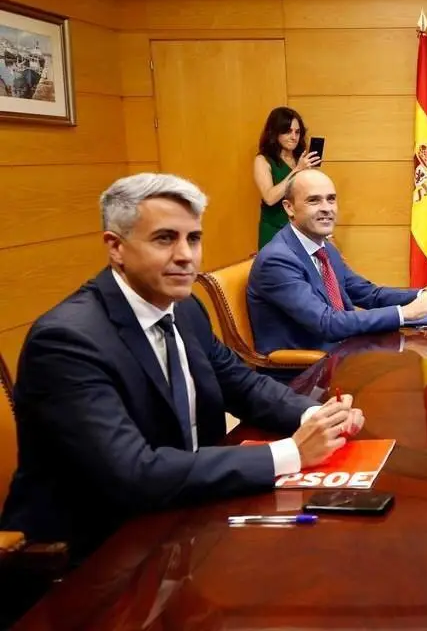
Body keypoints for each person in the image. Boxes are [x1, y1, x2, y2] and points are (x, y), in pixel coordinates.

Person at [0, 173, 364, 560]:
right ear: (116, 248)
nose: (185, 255)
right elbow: (132, 473)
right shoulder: (66, 341)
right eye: (164, 238)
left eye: (193, 238)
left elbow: (241, 384)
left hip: (187, 508)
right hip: (96, 544)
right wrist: (290, 453)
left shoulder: (184, 307)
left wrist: (316, 415)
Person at [247, 169, 427, 355]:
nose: (326, 208)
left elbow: (368, 294)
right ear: (289, 207)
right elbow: (326, 323)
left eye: (331, 199)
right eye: (314, 201)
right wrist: (406, 313)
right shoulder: (278, 260)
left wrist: (422, 294)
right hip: (304, 376)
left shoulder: (324, 249)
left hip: (344, 354)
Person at [254, 106, 320, 249]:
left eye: (297, 132)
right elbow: (269, 198)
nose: (294, 137)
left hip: (301, 230)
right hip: (274, 231)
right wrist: (297, 171)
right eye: (288, 131)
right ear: (275, 132)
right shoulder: (263, 160)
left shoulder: (300, 159)